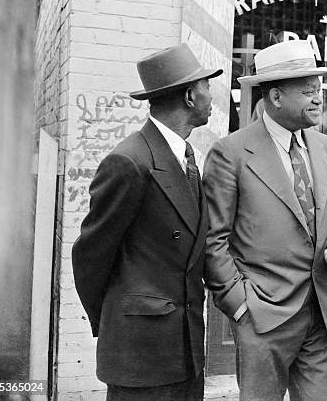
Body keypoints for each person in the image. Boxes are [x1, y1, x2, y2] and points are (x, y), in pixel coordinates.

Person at [203, 39, 327, 401]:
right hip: (262, 317)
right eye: (307, 91)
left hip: (324, 314)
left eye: (319, 89)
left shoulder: (325, 147)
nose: (319, 98)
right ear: (275, 97)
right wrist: (240, 306)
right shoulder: (231, 153)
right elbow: (213, 239)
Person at [72, 44, 222, 401]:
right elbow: (90, 257)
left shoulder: (183, 157)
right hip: (139, 359)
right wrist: (119, 321)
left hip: (184, 354)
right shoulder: (129, 161)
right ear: (189, 96)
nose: (211, 95)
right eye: (206, 86)